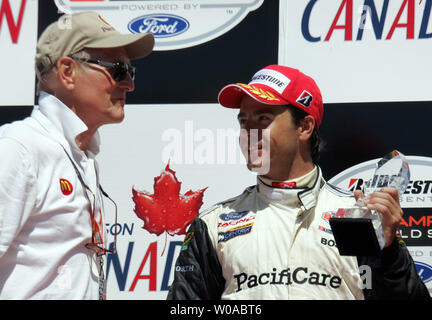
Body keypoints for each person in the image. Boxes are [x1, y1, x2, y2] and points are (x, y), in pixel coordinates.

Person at [167, 65, 430, 299]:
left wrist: (389, 250)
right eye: (244, 122)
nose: (248, 133)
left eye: (263, 119)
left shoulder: (356, 216)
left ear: (304, 127)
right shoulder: (215, 224)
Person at [0, 11, 154, 299]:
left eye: (130, 72)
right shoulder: (20, 148)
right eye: (117, 69)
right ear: (68, 72)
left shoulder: (82, 157)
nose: (129, 84)